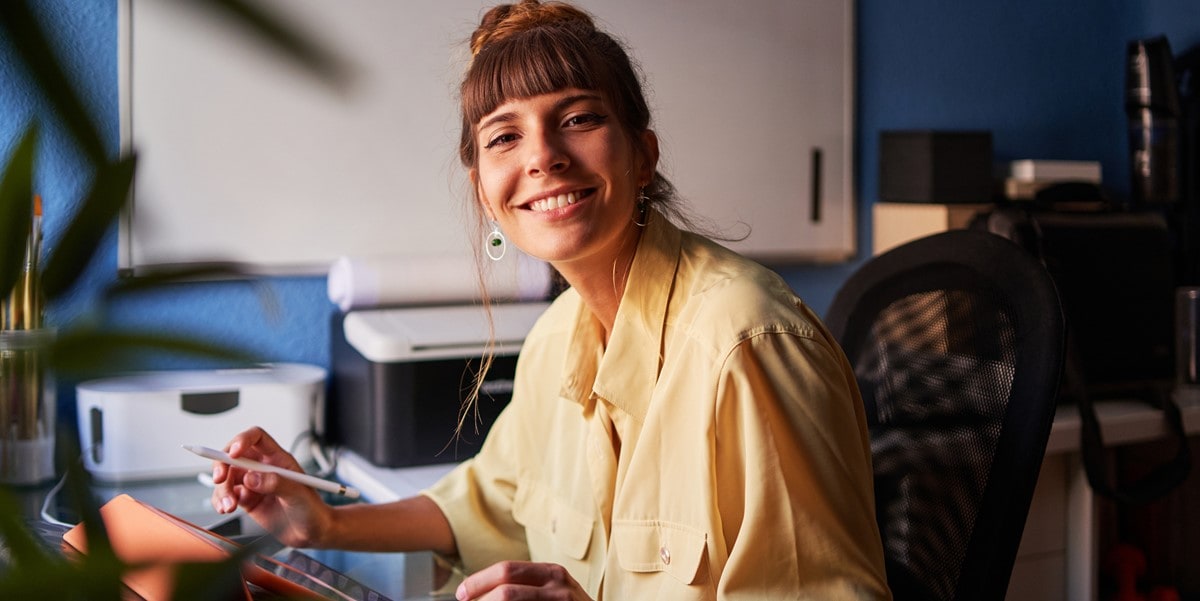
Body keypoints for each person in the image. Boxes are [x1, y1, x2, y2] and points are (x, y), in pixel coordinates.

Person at [211, 1, 891, 599]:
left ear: (643, 154)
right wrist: (321, 521)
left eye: (579, 118)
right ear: (485, 191)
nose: (543, 157)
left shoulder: (747, 345)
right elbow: (492, 507)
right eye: (505, 136)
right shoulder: (554, 338)